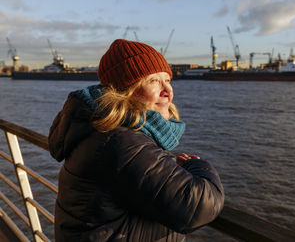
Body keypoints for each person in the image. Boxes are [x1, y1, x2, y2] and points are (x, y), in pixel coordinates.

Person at [48, 39, 224, 242]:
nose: (168, 91)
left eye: (167, 79)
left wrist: (165, 164)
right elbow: (197, 208)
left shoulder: (101, 129)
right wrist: (196, 165)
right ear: (125, 91)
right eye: (153, 81)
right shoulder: (121, 140)